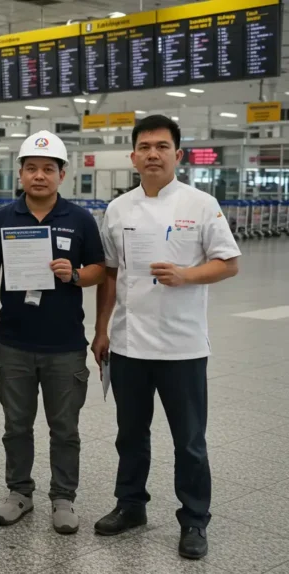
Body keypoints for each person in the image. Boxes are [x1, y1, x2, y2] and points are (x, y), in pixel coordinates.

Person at [92, 115, 241, 560]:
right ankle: (131, 505)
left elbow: (229, 262)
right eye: (144, 147)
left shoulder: (200, 204)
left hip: (182, 347)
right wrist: (101, 330)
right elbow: (111, 273)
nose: (152, 154)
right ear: (133, 156)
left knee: (189, 440)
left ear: (177, 154)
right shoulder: (118, 209)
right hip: (128, 344)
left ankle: (194, 518)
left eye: (161, 146)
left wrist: (187, 275)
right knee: (130, 434)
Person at [0, 131, 106, 535]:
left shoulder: (80, 219)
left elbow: (101, 271)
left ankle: (63, 496)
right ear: (20, 173)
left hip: (65, 345)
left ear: (62, 174)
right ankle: (19, 492)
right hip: (14, 342)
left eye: (47, 169)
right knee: (16, 424)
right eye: (31, 168)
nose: (39, 176)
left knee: (64, 427)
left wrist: (76, 275)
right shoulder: (1, 219)